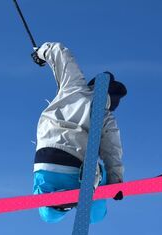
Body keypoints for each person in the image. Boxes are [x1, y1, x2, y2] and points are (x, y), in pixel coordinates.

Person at [31, 42, 127, 224]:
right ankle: (94, 197)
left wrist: (41, 54)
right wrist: (115, 183)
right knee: (95, 217)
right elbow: (112, 151)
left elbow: (59, 53)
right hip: (77, 167)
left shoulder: (73, 86)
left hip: (46, 159)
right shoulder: (106, 117)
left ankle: (58, 206)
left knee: (47, 215)